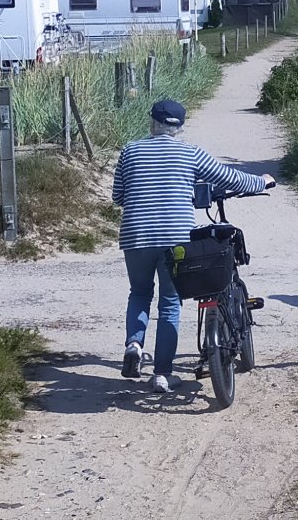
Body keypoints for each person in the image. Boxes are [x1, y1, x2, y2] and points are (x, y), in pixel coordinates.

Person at [112, 100, 273, 393]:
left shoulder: (130, 151)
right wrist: (261, 182)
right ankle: (161, 374)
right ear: (179, 127)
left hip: (135, 236)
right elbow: (230, 178)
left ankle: (134, 345)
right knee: (170, 303)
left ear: (152, 122)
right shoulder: (190, 153)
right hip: (176, 239)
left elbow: (118, 196)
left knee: (139, 292)